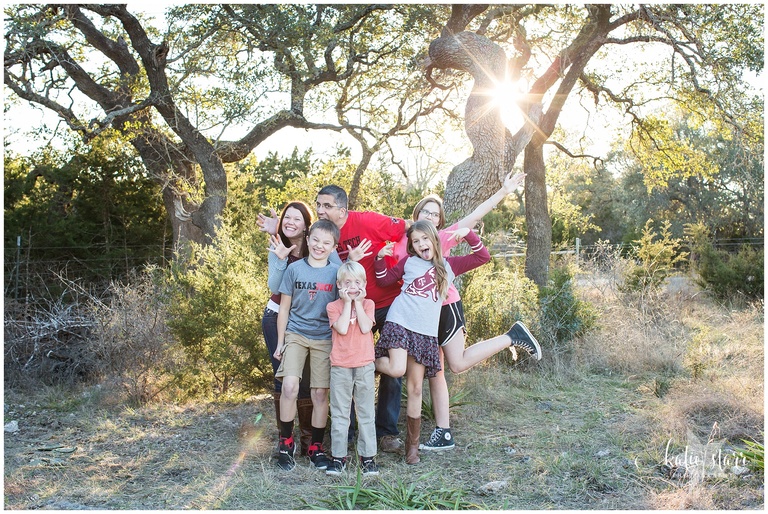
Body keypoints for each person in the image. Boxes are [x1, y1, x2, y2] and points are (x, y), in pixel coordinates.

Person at [260, 185, 409, 453]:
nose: (320, 210)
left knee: (382, 369)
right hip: (321, 315)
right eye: (318, 206)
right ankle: (325, 436)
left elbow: (406, 231)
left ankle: (381, 433)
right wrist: (279, 232)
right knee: (319, 373)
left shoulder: (364, 223)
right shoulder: (312, 242)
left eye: (326, 206)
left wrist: (397, 263)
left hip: (377, 306)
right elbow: (296, 265)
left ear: (342, 209)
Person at [411, 172, 542, 452]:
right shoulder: (408, 240)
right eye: (425, 211)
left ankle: (511, 336)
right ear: (416, 213)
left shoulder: (443, 239)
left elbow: (475, 215)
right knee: (436, 373)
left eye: (435, 214)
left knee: (456, 364)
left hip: (446, 310)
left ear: (440, 221)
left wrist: (504, 192)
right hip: (423, 316)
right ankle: (443, 432)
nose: (430, 216)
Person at [373, 220, 490, 464]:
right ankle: (366, 359)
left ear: (435, 239)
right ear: (412, 247)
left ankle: (411, 448)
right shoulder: (408, 263)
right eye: (415, 242)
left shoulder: (450, 266)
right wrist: (380, 259)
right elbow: (384, 280)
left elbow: (482, 257)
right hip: (400, 322)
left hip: (424, 334)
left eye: (424, 239)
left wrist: (468, 234)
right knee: (396, 369)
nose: (420, 244)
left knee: (415, 388)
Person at [273, 219, 341, 471]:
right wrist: (280, 342)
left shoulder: (336, 273)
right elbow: (284, 308)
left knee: (320, 393)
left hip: (324, 337)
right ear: (308, 238)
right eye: (315, 240)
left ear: (334, 247)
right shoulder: (295, 269)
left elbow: (343, 308)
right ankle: (286, 443)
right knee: (289, 387)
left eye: (326, 243)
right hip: (296, 334)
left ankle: (315, 447)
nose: (319, 246)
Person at [262, 201, 315, 456]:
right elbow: (274, 285)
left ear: (307, 225)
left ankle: (308, 440)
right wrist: (281, 259)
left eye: (296, 219)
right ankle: (285, 440)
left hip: (306, 322)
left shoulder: (317, 245)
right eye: (286, 218)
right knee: (284, 378)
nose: (290, 222)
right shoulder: (278, 246)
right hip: (276, 318)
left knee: (306, 381)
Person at [325, 261, 379, 476]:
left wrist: (358, 302)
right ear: (339, 284)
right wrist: (347, 302)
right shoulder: (333, 307)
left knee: (366, 412)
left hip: (365, 364)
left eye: (357, 282)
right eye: (348, 282)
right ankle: (339, 457)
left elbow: (366, 327)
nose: (353, 286)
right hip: (340, 366)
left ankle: (368, 457)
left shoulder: (368, 304)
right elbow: (342, 328)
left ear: (364, 284)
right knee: (340, 414)